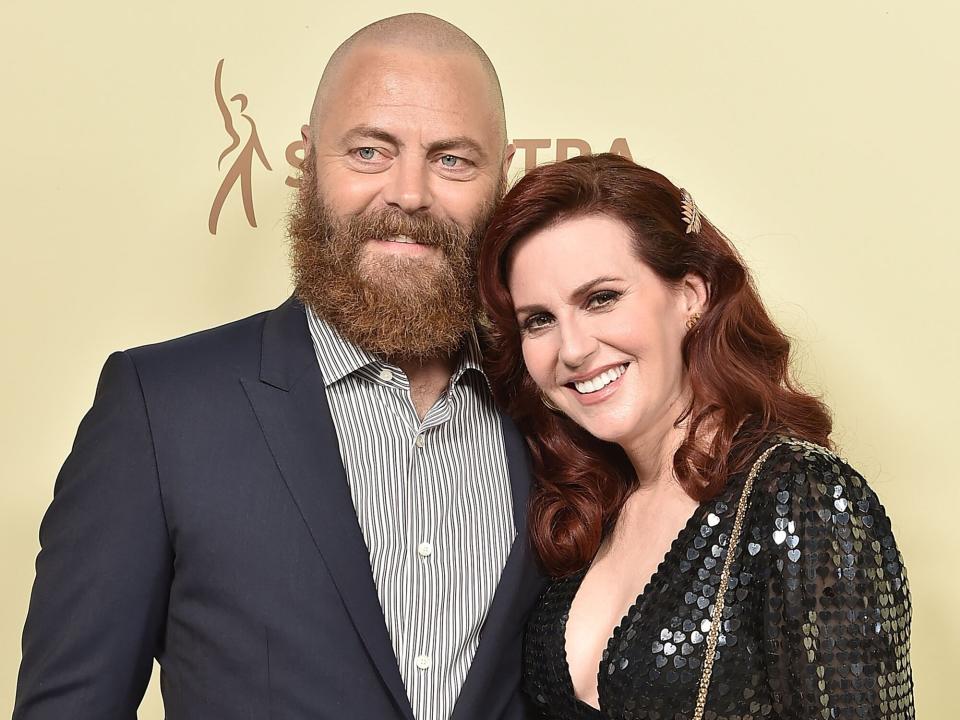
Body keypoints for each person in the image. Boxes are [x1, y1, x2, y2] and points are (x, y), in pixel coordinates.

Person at [15, 14, 544, 720]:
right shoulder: (160, 411)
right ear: (307, 161)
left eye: (453, 159)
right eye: (368, 151)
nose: (409, 192)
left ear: (499, 180)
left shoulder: (556, 409)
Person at [478, 153, 914, 719]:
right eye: (539, 319)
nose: (573, 348)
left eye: (601, 298)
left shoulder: (801, 497)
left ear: (690, 295)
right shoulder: (588, 506)